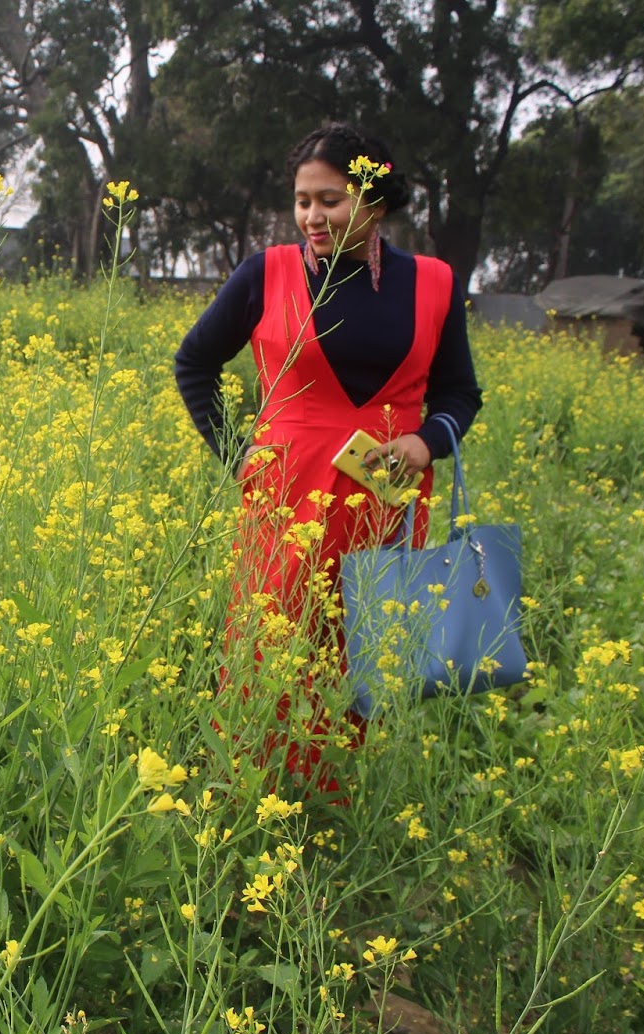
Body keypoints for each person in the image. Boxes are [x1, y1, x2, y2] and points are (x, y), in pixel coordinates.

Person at [173, 122, 483, 789]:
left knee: (360, 654)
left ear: (374, 201)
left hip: (386, 497)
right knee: (271, 646)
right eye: (302, 200)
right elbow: (194, 363)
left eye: (330, 200)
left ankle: (334, 806)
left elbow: (460, 393)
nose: (312, 216)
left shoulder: (432, 284)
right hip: (287, 497)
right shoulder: (268, 273)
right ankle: (254, 796)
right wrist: (244, 461)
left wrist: (426, 442)